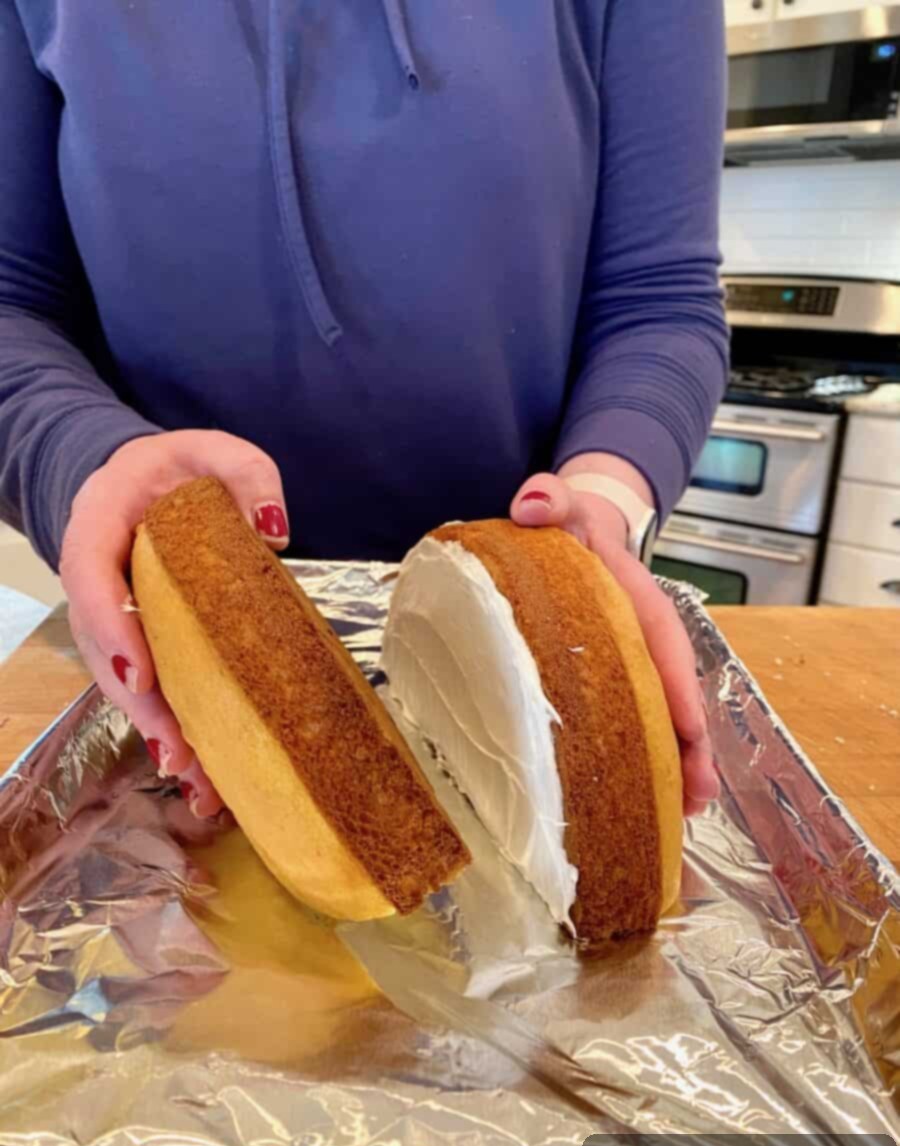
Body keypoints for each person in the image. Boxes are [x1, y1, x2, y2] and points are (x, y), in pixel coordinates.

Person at [0, 1, 727, 821]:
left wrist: (605, 496)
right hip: (171, 659)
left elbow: (657, 301)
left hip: (533, 659)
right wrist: (84, 457)